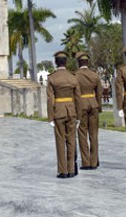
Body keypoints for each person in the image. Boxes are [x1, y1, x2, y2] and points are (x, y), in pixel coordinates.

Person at [46, 50, 81, 178]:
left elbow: (50, 99)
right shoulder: (73, 77)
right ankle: (71, 169)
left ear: (56, 62)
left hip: (59, 112)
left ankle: (63, 170)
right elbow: (78, 98)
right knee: (71, 140)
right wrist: (79, 116)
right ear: (66, 62)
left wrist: (50, 117)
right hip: (71, 111)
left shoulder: (52, 78)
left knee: (60, 141)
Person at [75, 51, 102, 170]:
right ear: (87, 62)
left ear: (78, 63)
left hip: (81, 105)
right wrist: (99, 106)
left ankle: (86, 162)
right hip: (93, 104)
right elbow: (99, 93)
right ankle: (94, 160)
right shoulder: (95, 75)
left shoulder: (75, 76)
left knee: (82, 134)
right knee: (94, 134)